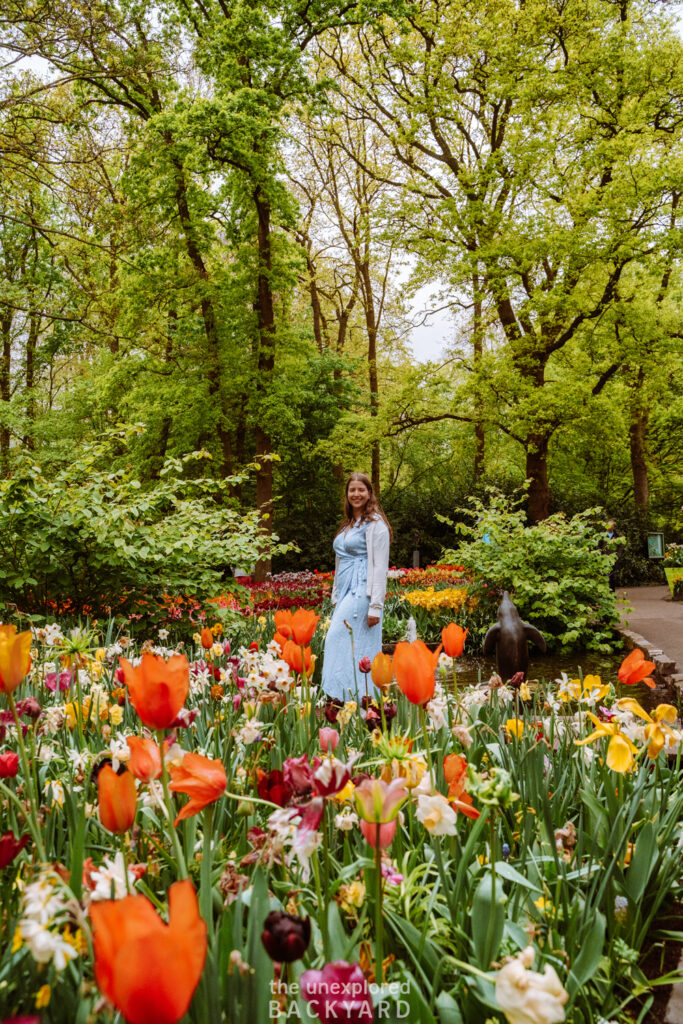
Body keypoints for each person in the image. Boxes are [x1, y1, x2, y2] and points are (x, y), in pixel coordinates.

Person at [321, 473, 392, 703]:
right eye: (352, 490)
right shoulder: (349, 525)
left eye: (361, 489)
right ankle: (352, 699)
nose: (356, 494)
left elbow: (380, 566)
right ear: (347, 494)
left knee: (334, 638)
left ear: (369, 493)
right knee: (348, 644)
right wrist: (335, 593)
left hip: (363, 591)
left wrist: (376, 606)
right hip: (345, 592)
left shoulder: (376, 525)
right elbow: (340, 560)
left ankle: (346, 698)